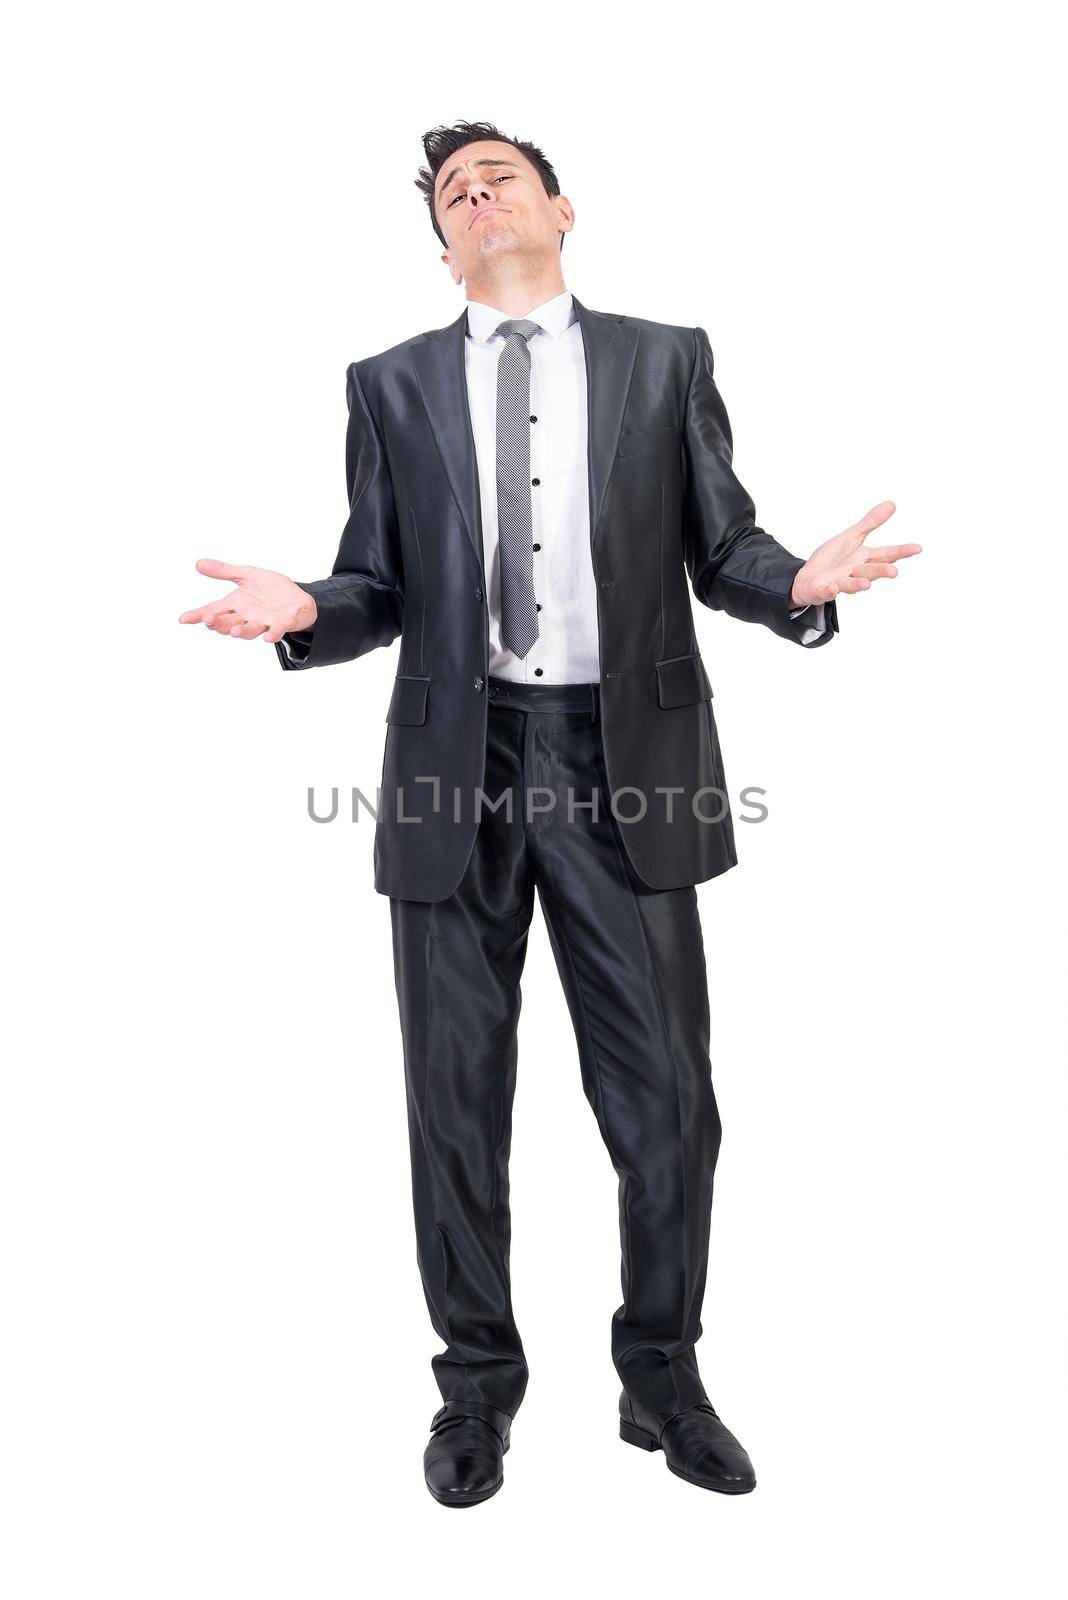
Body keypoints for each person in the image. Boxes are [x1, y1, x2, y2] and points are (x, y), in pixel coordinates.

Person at [179, 119, 921, 1506]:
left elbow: (725, 544)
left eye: (499, 176)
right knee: (456, 1105)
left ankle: (661, 1372)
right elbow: (375, 582)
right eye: (453, 192)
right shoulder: (388, 385)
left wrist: (796, 588)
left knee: (667, 1104)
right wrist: (306, 613)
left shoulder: (665, 359)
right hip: (450, 767)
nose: (476, 195)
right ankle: (475, 1394)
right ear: (442, 243)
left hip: (620, 754)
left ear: (561, 210)